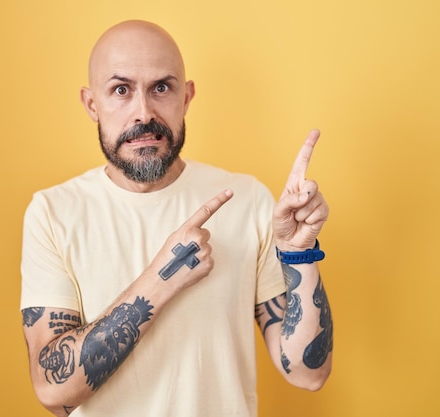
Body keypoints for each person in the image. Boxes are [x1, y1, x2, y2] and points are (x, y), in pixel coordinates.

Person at [20, 20, 333, 417]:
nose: (143, 113)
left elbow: (308, 373)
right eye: (121, 90)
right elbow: (54, 390)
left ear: (186, 97)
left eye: (161, 88)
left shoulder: (248, 199)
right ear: (91, 104)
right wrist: (161, 279)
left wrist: (298, 253)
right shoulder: (53, 213)